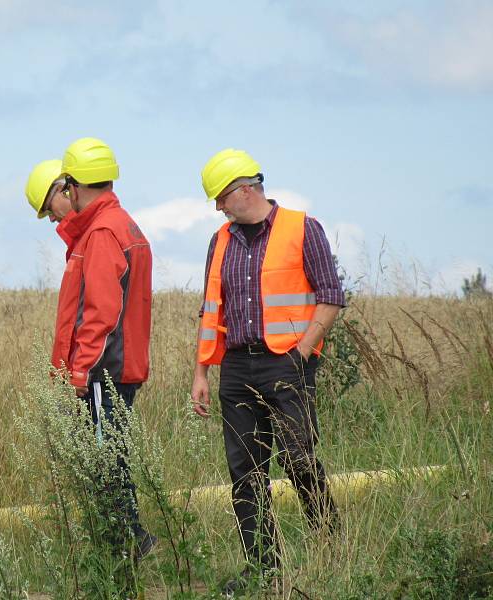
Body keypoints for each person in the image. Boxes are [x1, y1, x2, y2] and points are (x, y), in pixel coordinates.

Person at [189, 149, 344, 596]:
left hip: (286, 362)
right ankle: (264, 568)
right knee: (244, 471)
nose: (218, 208)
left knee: (299, 461)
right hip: (235, 366)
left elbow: (330, 295)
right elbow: (209, 310)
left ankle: (331, 543)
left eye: (221, 198)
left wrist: (302, 352)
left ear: (245, 190)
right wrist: (201, 373)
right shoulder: (219, 240)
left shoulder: (302, 228)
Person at [51, 136, 156, 558]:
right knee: (113, 459)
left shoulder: (101, 233)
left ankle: (123, 550)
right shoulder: (122, 223)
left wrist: (80, 373)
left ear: (74, 185)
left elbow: (100, 312)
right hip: (119, 368)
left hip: (103, 373)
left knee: (106, 464)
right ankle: (129, 544)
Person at [24, 159, 81, 260]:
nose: (52, 219)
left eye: (49, 209)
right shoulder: (81, 242)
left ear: (66, 190)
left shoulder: (98, 234)